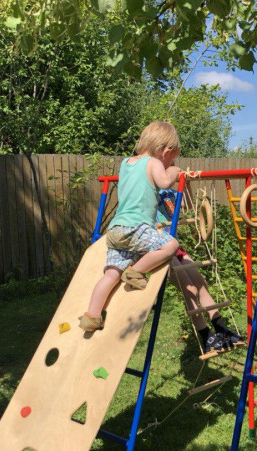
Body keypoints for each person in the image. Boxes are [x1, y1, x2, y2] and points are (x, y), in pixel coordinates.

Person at [79, 122, 182, 332]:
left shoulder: (126, 163)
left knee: (111, 274)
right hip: (136, 227)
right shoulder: (154, 162)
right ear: (165, 151)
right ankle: (135, 272)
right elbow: (164, 183)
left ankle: (92, 316)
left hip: (115, 229)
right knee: (171, 245)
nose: (169, 163)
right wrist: (174, 171)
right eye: (170, 159)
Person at [157, 187, 243, 353]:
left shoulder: (170, 192)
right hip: (159, 248)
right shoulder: (150, 191)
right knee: (189, 289)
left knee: (200, 284)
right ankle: (206, 337)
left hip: (175, 246)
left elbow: (187, 204)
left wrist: (187, 183)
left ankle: (221, 329)